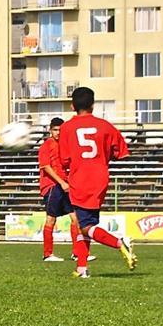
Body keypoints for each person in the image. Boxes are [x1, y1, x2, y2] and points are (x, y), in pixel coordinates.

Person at [58, 86, 136, 278]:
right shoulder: (105, 126)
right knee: (84, 223)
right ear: (93, 105)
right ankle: (82, 269)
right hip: (100, 178)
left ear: (72, 106)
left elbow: (64, 160)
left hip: (80, 178)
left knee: (85, 225)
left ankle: (120, 242)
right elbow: (122, 153)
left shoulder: (67, 128)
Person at [37, 116, 88, 263]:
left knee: (75, 218)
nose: (58, 132)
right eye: (55, 130)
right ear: (50, 130)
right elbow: (46, 167)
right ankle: (47, 254)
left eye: (60, 130)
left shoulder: (67, 145)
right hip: (52, 186)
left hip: (66, 185)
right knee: (51, 219)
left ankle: (77, 253)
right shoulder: (46, 146)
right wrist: (61, 182)